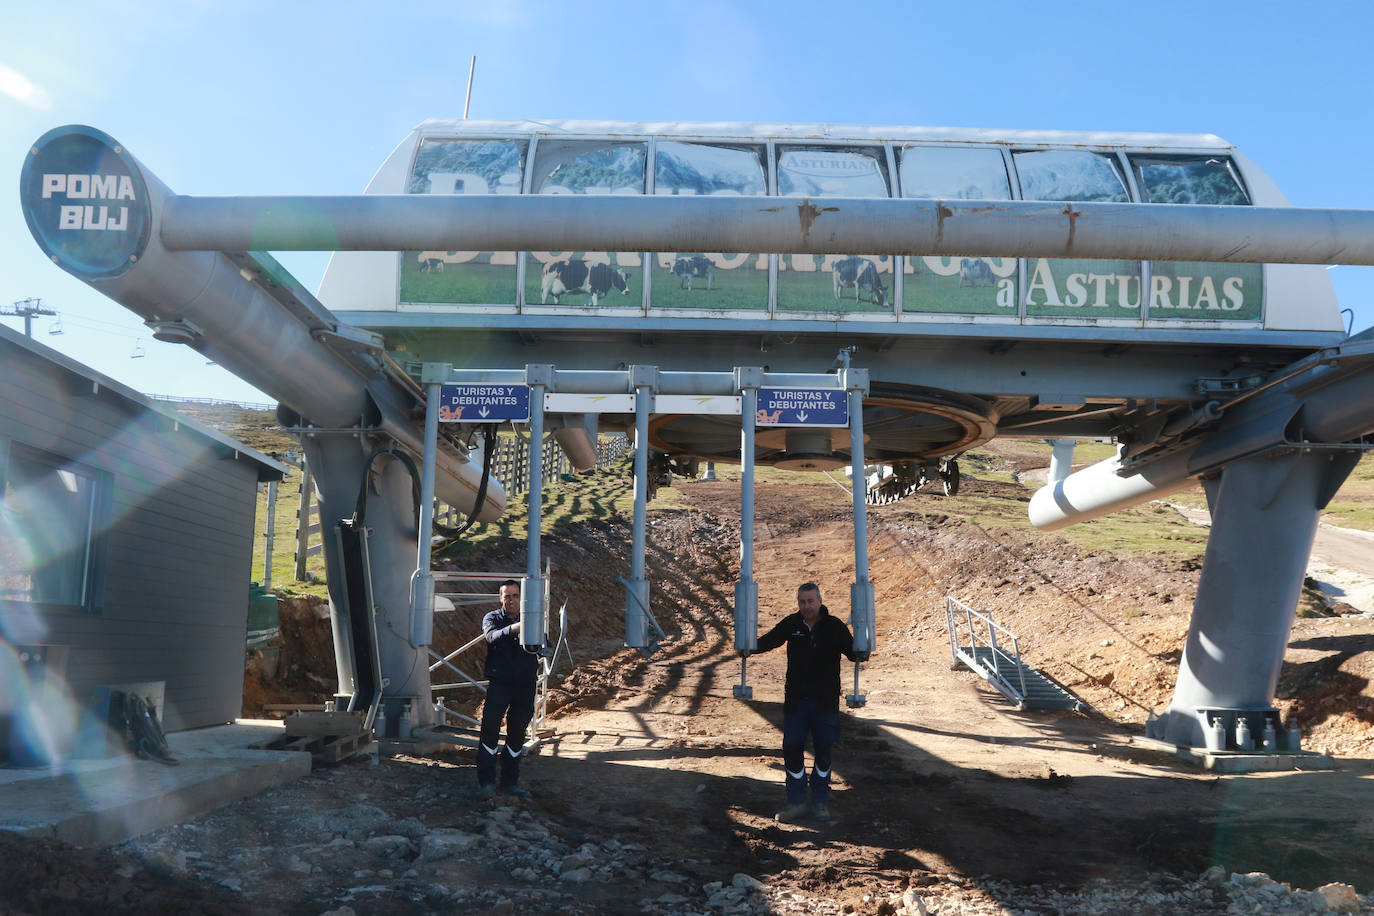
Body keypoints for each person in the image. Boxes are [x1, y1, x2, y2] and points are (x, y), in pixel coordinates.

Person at [744, 581, 868, 822]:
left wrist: (863, 649)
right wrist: (747, 647)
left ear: (820, 601)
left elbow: (852, 652)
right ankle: (796, 801)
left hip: (825, 702)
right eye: (802, 602)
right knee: (792, 748)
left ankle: (820, 802)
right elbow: (769, 640)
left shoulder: (834, 627)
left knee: (823, 750)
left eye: (811, 601)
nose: (807, 606)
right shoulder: (792, 624)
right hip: (796, 700)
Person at [476, 579, 539, 799]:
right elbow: (491, 637)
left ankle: (510, 782)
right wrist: (515, 629)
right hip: (500, 684)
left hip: (525, 685)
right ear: (500, 598)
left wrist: (546, 647)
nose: (511, 600)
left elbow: (543, 644)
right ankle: (486, 783)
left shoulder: (532, 619)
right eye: (507, 596)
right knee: (490, 730)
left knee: (516, 734)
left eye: (514, 595)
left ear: (521, 598)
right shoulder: (492, 618)